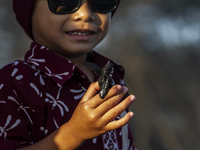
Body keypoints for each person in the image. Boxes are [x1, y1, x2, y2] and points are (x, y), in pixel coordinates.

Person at [0, 0, 136, 149]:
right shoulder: (15, 81)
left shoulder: (112, 76)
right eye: (64, 2)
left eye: (100, 2)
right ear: (29, 10)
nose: (85, 15)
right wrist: (74, 133)